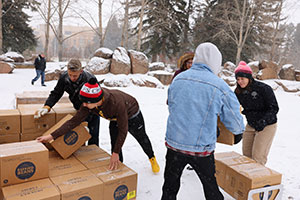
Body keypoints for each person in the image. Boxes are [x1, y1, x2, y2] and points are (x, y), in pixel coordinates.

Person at [161, 42, 245, 200]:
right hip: (201, 149)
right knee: (211, 188)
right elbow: (233, 117)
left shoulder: (178, 80)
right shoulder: (220, 86)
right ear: (215, 62)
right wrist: (238, 132)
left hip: (174, 145)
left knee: (169, 187)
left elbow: (172, 107)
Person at [36, 77, 160, 173]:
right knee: (114, 142)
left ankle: (151, 157)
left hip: (132, 113)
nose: (83, 105)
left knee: (141, 137)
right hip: (114, 118)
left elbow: (123, 129)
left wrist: (115, 152)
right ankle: (119, 164)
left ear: (96, 101)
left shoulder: (116, 103)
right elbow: (73, 122)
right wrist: (51, 136)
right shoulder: (89, 104)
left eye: (86, 103)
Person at [34, 58, 100, 146]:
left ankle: (93, 153)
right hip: (78, 107)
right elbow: (56, 93)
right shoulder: (64, 78)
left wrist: (89, 118)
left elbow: (98, 99)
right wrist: (47, 106)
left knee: (93, 135)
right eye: (70, 74)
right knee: (78, 136)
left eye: (75, 76)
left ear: (81, 71)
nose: (72, 78)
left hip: (93, 110)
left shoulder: (89, 79)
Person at [234, 61, 279, 165]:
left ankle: (258, 180)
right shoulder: (238, 92)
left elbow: (274, 108)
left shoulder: (264, 88)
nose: (240, 81)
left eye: (242, 78)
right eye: (238, 79)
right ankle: (248, 179)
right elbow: (232, 107)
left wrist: (263, 122)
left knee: (258, 157)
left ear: (249, 77)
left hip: (267, 125)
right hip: (251, 124)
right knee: (246, 156)